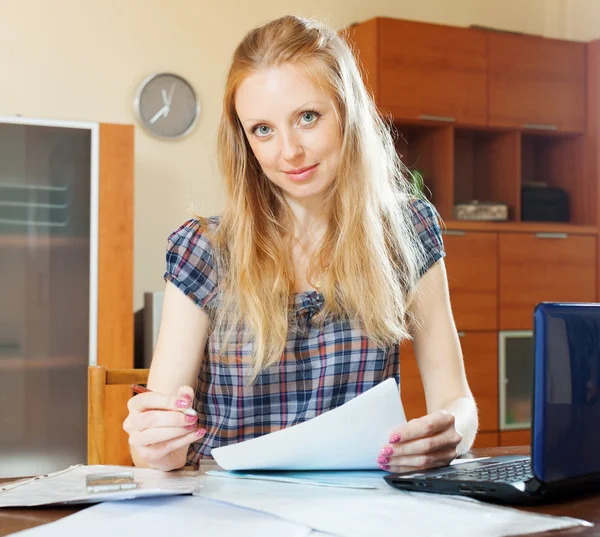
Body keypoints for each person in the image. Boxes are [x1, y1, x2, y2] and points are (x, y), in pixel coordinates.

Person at [123, 15, 478, 472]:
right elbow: (159, 451)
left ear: (346, 113)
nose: (288, 151)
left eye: (307, 117)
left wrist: (447, 433)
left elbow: (456, 401)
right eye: (263, 130)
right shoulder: (204, 250)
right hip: (228, 510)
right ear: (244, 140)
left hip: (358, 506)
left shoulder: (406, 231)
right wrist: (154, 443)